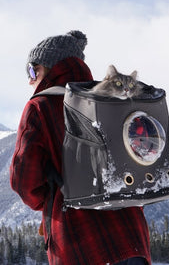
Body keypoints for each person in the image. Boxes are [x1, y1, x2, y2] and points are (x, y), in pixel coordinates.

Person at [9, 30, 151, 265]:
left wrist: (51, 198)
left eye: (32, 70)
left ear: (50, 67)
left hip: (81, 246)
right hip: (132, 238)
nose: (30, 79)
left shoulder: (40, 106)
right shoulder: (112, 101)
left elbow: (24, 181)